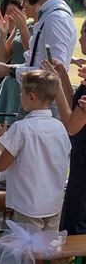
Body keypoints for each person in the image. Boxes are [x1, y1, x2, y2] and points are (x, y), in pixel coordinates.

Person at [0, 70, 71, 264]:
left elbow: (1, 164)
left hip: (28, 203)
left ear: (31, 97)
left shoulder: (21, 128)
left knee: (28, 257)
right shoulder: (60, 127)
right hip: (53, 202)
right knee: (45, 253)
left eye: (20, 93)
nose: (19, 97)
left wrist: (0, 138)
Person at [0, 0, 77, 113]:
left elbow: (52, 74)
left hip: (44, 110)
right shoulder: (48, 16)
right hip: (34, 104)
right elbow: (36, 62)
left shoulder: (56, 19)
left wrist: (9, 70)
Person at [44, 19, 86, 235]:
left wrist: (56, 85)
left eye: (83, 33)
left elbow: (72, 125)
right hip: (79, 160)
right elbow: (74, 105)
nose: (79, 39)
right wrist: (62, 77)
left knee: (78, 221)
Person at [0, 0, 29, 113]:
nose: (24, 5)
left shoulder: (37, 27)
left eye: (15, 10)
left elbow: (33, 57)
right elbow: (1, 58)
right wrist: (3, 34)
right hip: (10, 84)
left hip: (26, 85)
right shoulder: (18, 30)